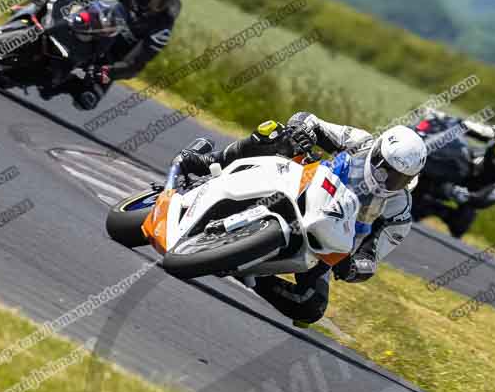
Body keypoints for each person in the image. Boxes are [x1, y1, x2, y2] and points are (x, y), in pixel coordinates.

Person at [175, 112, 427, 325]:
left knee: (311, 309)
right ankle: (210, 161)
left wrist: (352, 267)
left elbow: (371, 259)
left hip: (328, 241)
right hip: (302, 184)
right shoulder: (360, 141)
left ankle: (249, 272)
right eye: (385, 170)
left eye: (398, 178)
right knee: (275, 132)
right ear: (377, 153)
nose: (387, 180)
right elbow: (309, 120)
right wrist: (301, 131)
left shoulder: (400, 213)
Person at [37, 0, 181, 110]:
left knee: (86, 100)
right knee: (66, 0)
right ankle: (36, 20)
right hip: (96, 28)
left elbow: (135, 64)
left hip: (111, 57)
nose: (154, 4)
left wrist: (107, 71)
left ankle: (56, 82)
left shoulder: (162, 27)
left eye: (162, 1)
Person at [410, 110, 495, 238]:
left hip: (470, 191)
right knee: (449, 155)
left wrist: (467, 195)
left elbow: (491, 197)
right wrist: (439, 116)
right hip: (463, 169)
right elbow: (465, 125)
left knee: (461, 222)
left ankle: (433, 208)